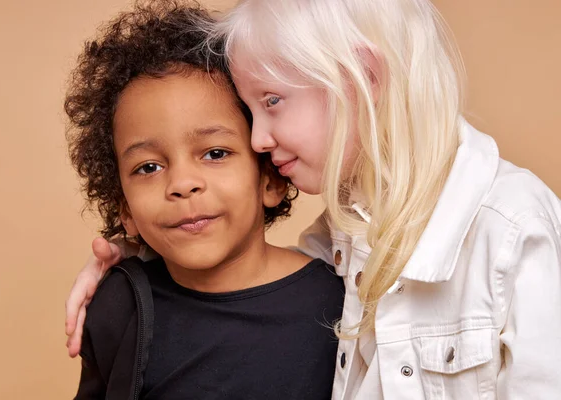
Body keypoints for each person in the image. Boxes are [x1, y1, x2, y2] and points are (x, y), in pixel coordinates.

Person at [66, 0, 561, 398]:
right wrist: (135, 260)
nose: (260, 138)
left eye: (272, 101)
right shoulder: (344, 237)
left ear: (363, 77)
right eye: (149, 168)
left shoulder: (513, 226)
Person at [65, 1, 344, 398]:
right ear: (124, 207)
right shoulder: (120, 307)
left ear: (269, 176)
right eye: (148, 167)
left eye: (215, 153)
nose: (182, 183)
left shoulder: (341, 302)